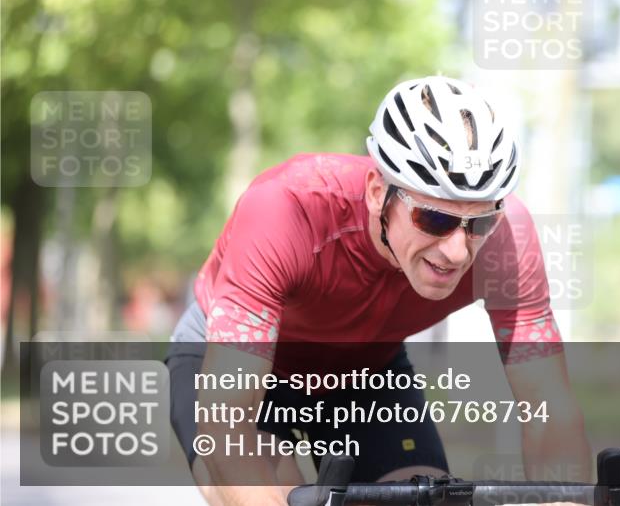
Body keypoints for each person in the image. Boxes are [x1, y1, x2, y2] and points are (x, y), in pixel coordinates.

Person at [166, 75, 590, 506]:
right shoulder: (285, 210)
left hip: (366, 368)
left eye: (479, 222)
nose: (458, 251)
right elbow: (224, 427)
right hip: (240, 358)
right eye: (435, 219)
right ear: (376, 192)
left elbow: (547, 406)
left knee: (422, 500)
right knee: (279, 491)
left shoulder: (508, 242)